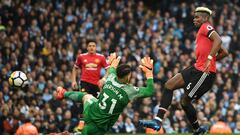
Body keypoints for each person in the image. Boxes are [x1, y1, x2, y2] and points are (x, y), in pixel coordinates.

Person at [139, 7, 229, 135]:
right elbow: (224, 52)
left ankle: (198, 130)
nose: (194, 19)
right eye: (194, 17)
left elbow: (219, 40)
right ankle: (157, 121)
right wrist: (210, 59)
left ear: (205, 18)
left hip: (203, 73)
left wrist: (209, 59)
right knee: (168, 85)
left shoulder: (206, 27)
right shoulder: (202, 32)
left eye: (197, 17)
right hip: (196, 67)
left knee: (184, 101)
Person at [56, 54, 154, 135]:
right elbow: (150, 91)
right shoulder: (129, 90)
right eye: (129, 75)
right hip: (100, 125)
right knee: (83, 133)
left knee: (86, 96)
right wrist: (149, 74)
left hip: (91, 110)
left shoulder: (111, 77)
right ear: (126, 77)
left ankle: (64, 93)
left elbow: (112, 69)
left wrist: (112, 64)